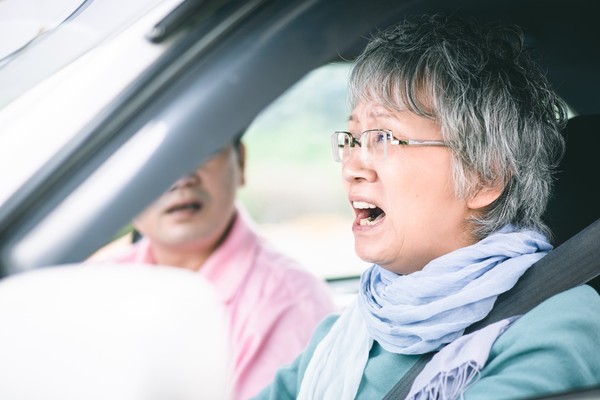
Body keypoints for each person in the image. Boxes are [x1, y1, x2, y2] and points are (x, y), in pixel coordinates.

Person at [253, 14, 600, 400]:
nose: (352, 166)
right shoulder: (352, 330)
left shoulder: (557, 324)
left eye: (383, 137)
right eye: (350, 140)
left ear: (485, 177)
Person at [88, 135, 338, 400]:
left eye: (203, 150)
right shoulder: (94, 286)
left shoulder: (291, 303)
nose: (181, 178)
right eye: (156, 157)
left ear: (240, 162)